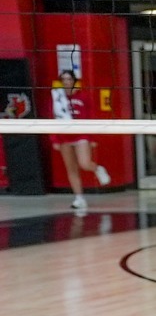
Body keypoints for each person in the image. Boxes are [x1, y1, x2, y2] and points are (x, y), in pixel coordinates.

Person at [48, 69, 112, 211]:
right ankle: (79, 198)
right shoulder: (57, 99)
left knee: (84, 163)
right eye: (63, 79)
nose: (66, 82)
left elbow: (91, 117)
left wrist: (93, 137)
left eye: (69, 79)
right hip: (64, 137)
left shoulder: (83, 96)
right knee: (71, 169)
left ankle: (98, 169)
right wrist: (54, 140)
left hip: (81, 135)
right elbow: (52, 118)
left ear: (74, 81)